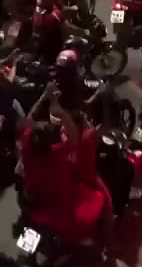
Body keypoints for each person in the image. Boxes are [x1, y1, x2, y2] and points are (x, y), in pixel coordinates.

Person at [19, 82, 113, 252]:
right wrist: (62, 113)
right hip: (65, 204)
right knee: (104, 199)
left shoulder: (28, 152)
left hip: (37, 205)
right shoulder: (60, 152)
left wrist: (45, 96)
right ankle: (107, 243)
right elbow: (77, 137)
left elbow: (28, 120)